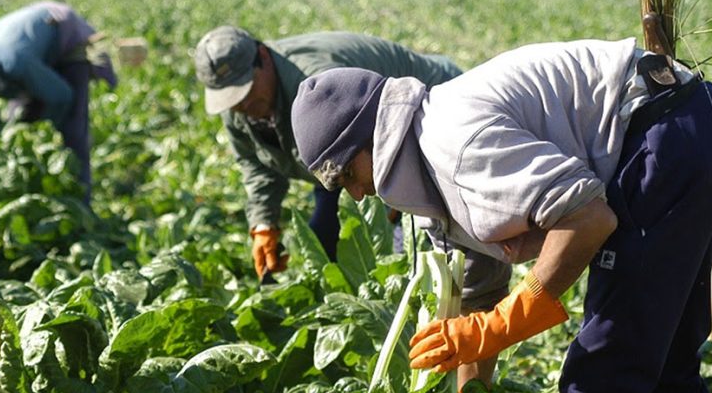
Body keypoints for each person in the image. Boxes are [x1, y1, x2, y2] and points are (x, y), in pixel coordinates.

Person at [290, 39, 712, 393]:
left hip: (667, 136)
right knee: (665, 369)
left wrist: (510, 320)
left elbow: (589, 220)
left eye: (347, 174)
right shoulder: (427, 164)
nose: (356, 194)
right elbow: (478, 297)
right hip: (695, 123)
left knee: (600, 385)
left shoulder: (454, 145)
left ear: (372, 140)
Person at [194, 26, 493, 283]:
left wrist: (394, 204)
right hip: (348, 158)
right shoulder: (239, 109)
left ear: (262, 57)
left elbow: (382, 144)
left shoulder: (316, 84)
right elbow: (255, 163)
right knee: (326, 237)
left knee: (424, 245)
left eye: (245, 90)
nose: (242, 104)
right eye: (231, 98)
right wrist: (263, 223)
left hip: (424, 120)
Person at [0, 1, 116, 203]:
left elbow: (62, 96)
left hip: (65, 36)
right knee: (19, 124)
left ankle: (81, 204)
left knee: (72, 131)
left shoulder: (13, 62)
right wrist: (1, 139)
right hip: (32, 51)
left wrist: (43, 130)